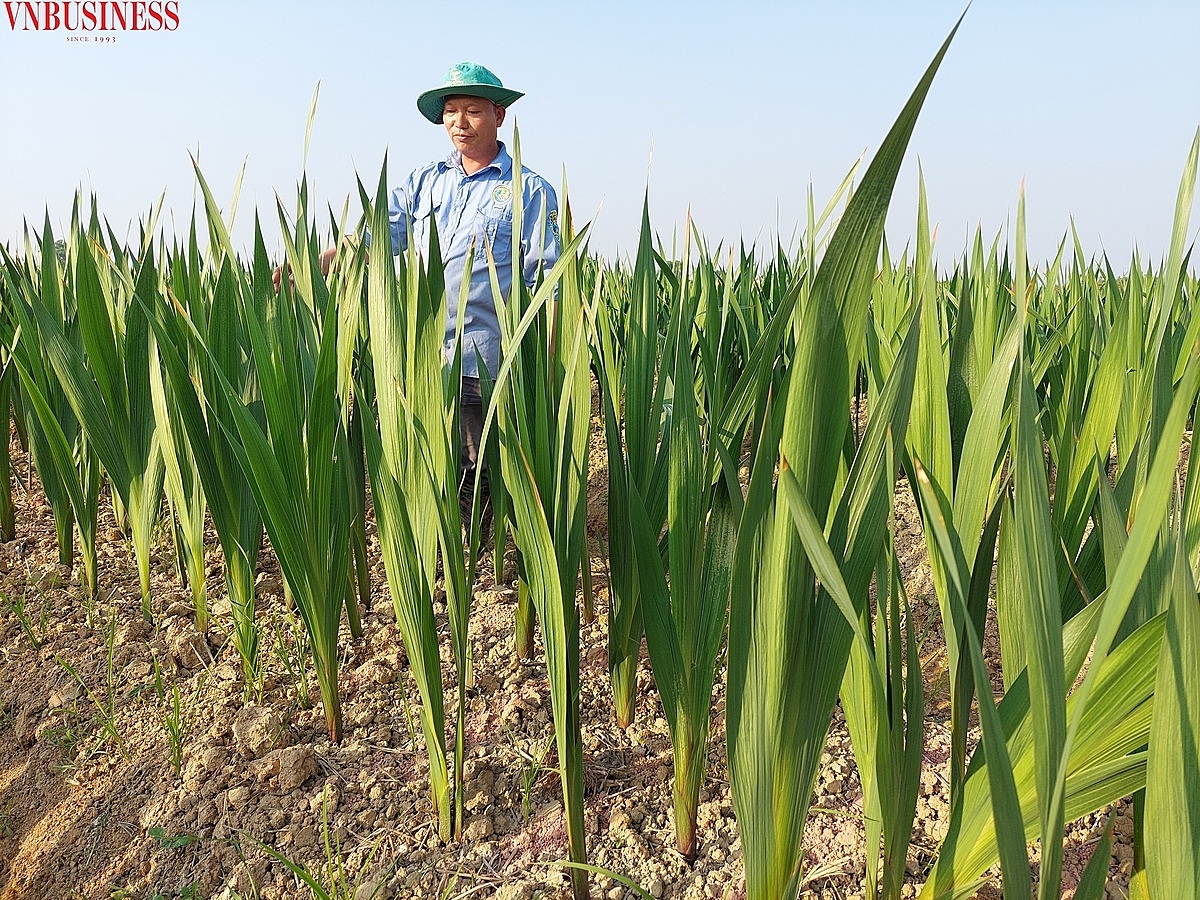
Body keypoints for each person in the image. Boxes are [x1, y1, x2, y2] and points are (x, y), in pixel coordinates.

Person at [283, 62, 560, 528]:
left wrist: (550, 368)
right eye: (451, 112)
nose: (460, 122)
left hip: (485, 357)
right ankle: (436, 552)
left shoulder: (528, 191)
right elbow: (382, 231)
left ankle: (480, 566)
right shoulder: (425, 182)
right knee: (431, 462)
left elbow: (551, 283)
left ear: (499, 116)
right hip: (425, 356)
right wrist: (326, 256)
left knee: (479, 465)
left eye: (473, 110)